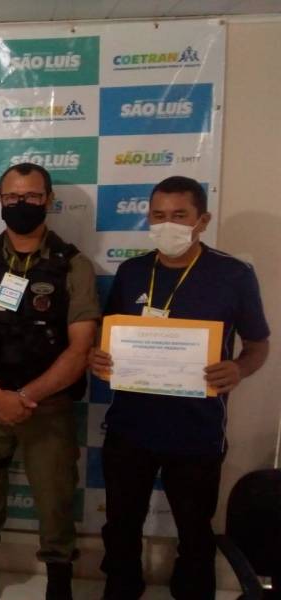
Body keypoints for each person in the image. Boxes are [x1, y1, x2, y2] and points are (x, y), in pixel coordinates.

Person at [89, 175, 270, 600]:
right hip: (130, 427)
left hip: (197, 430)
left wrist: (239, 369)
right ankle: (122, 586)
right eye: (158, 215)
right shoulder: (132, 272)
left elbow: (258, 345)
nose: (166, 224)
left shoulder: (233, 274)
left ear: (202, 220)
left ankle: (191, 590)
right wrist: (98, 357)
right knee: (121, 524)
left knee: (194, 528)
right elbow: (109, 337)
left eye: (179, 215)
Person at [0, 163, 100, 600]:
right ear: (0, 200)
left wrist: (24, 397)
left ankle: (59, 585)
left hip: (47, 407)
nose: (21, 204)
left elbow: (80, 349)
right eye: (12, 196)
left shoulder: (74, 266)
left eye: (31, 196)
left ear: (49, 200)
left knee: (55, 499)